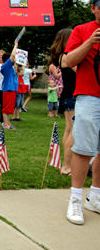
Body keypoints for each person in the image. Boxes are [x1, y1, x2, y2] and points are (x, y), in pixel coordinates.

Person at [64, 0, 100, 225]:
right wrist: (90, 42)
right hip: (89, 96)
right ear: (94, 8)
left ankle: (95, 195)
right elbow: (69, 61)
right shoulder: (82, 31)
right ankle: (75, 198)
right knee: (84, 148)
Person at [57, 29, 76, 175]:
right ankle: (67, 165)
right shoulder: (68, 56)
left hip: (68, 95)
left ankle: (68, 164)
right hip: (72, 96)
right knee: (72, 130)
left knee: (69, 129)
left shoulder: (64, 56)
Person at [0, 43, 19, 130]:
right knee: (6, 108)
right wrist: (15, 45)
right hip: (8, 89)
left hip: (12, 89)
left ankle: (7, 122)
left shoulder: (10, 67)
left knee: (9, 107)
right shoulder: (6, 66)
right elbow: (12, 56)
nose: (15, 59)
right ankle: (6, 124)